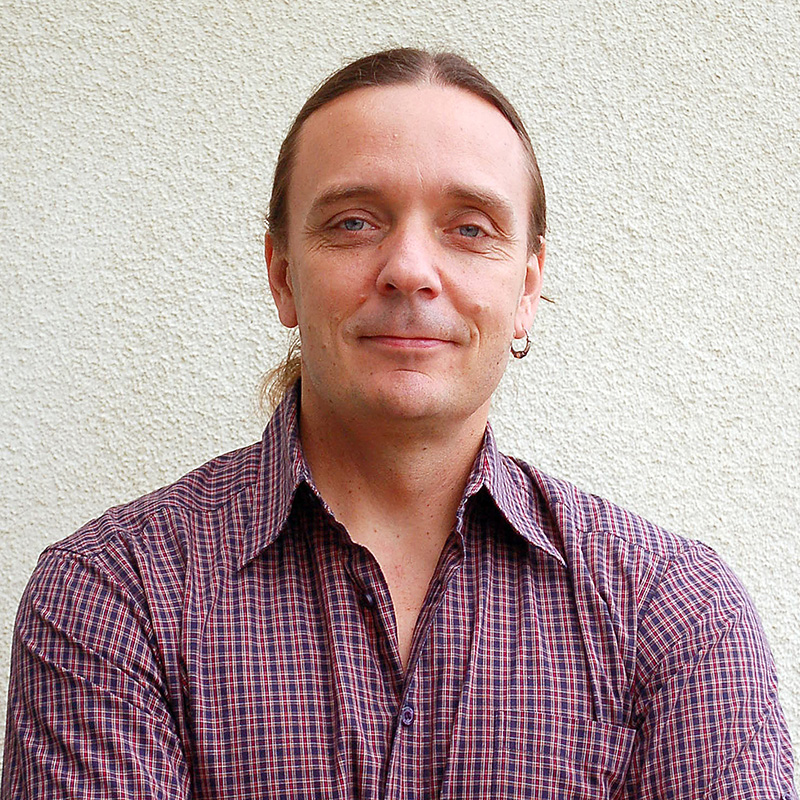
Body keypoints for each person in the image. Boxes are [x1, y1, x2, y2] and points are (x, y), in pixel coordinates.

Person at [2, 47, 795, 799]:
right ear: (282, 275)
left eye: (469, 228)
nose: (411, 270)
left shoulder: (675, 612)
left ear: (526, 289)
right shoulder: (115, 595)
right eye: (354, 222)